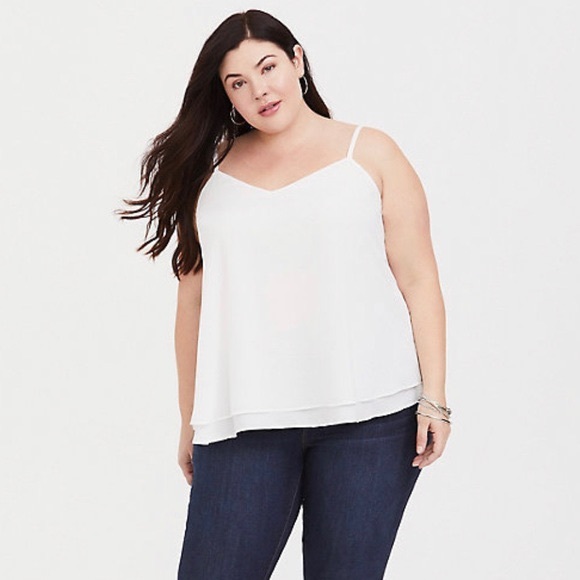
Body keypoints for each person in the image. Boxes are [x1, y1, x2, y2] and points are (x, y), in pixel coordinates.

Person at [117, 8, 452, 579]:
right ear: (225, 95)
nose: (259, 91)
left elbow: (419, 279)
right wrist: (189, 419)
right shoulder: (208, 176)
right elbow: (192, 304)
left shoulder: (370, 153)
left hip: (371, 419)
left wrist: (435, 398)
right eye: (237, 83)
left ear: (297, 60)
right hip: (244, 421)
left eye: (268, 67)